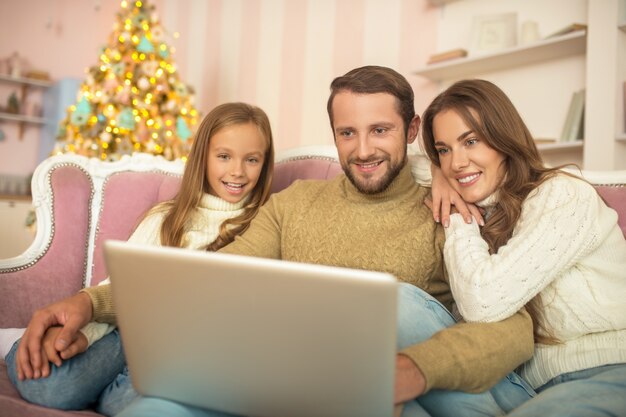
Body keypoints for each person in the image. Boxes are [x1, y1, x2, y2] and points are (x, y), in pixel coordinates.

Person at [14, 66, 535, 417]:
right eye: (347, 133)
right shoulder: (295, 204)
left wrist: (419, 370)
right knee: (150, 410)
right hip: (265, 377)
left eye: (381, 130)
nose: (364, 149)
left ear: (412, 129)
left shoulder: (452, 206)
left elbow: (510, 327)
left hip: (371, 391)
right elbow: (213, 280)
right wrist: (90, 301)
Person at [5, 102, 276, 416]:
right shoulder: (166, 218)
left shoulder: (266, 227)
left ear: (265, 163)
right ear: (203, 157)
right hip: (123, 332)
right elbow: (117, 289)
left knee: (128, 400)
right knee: (52, 386)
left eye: (252, 159)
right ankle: (17, 341)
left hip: (180, 351)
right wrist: (80, 338)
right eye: (224, 156)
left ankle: (106, 390)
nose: (237, 171)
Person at [421, 78, 626, 416]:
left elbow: (482, 303)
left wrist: (459, 218)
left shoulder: (562, 196)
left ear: (503, 140)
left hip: (603, 371)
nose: (456, 163)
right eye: (444, 149)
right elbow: (398, 154)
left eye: (470, 141)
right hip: (515, 384)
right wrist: (436, 172)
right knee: (403, 310)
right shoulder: (485, 203)